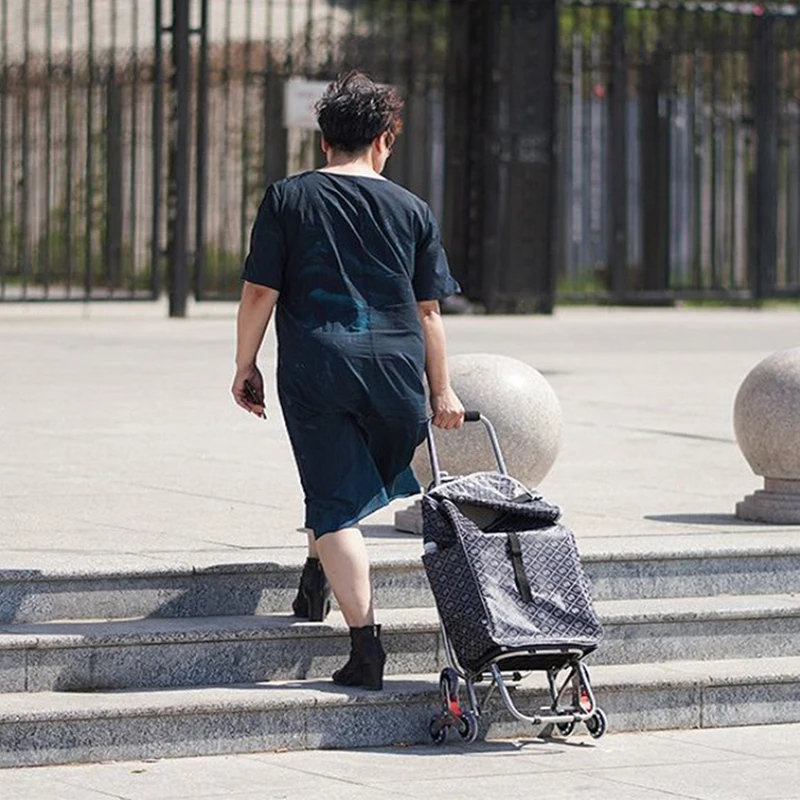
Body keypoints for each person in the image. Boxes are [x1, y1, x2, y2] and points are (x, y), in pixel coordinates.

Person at [232, 70, 464, 692]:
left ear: (322, 141)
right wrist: (441, 391)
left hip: (318, 365)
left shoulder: (289, 198)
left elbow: (260, 291)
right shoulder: (412, 208)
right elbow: (430, 312)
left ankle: (366, 648)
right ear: (385, 139)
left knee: (337, 503)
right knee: (338, 482)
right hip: (396, 376)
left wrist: (244, 363)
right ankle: (315, 581)